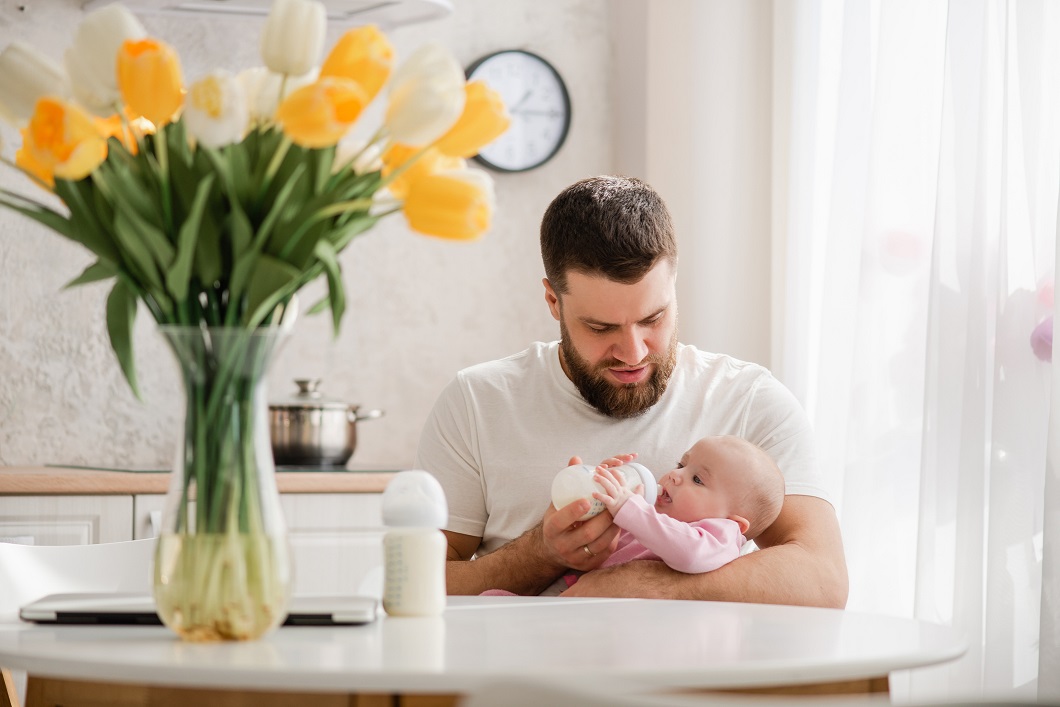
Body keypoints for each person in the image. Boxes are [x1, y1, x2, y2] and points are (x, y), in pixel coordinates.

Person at [416, 175, 848, 607]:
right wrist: (539, 556)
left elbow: (823, 581)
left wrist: (648, 587)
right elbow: (415, 582)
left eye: (653, 318)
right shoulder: (477, 402)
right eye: (600, 328)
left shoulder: (749, 400)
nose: (633, 352)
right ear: (553, 302)